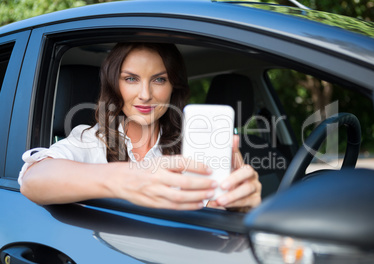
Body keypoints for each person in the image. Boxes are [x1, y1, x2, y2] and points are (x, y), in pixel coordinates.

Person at [19, 42, 261, 211]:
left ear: (173, 87)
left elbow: (212, 211)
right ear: (115, 85)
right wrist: (129, 178)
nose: (145, 95)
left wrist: (239, 207)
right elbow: (33, 179)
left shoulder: (195, 144)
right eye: (131, 79)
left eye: (159, 79)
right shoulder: (91, 139)